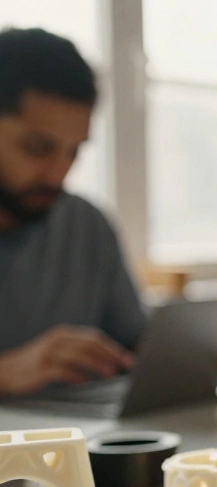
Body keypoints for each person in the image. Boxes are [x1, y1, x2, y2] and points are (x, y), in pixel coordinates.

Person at [0, 28, 144, 397]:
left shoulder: (88, 226)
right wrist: (6, 373)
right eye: (37, 147)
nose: (58, 174)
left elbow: (134, 345)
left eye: (73, 151)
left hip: (82, 442)